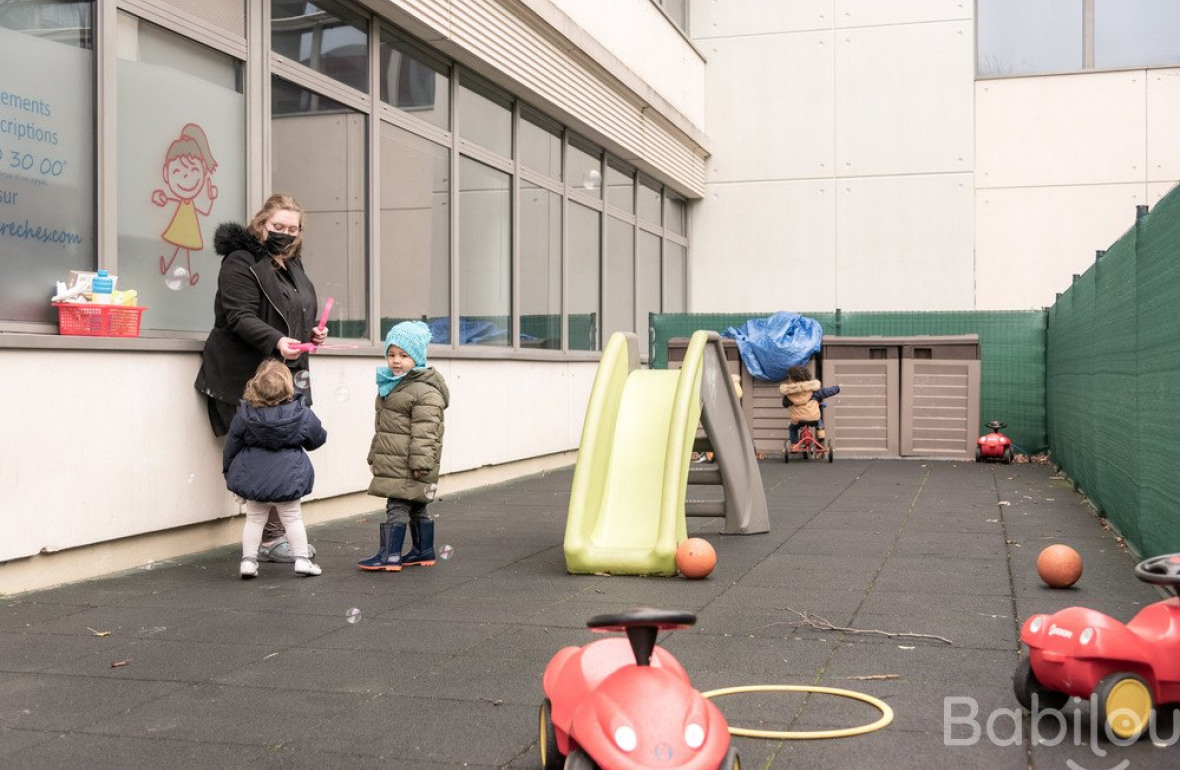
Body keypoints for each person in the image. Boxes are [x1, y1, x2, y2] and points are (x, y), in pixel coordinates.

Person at [194, 193, 328, 563]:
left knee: (280, 452)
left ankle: (274, 535)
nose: (285, 233)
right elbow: (238, 316)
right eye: (278, 226)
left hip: (285, 375)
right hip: (246, 378)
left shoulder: (292, 264)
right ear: (261, 224)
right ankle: (270, 538)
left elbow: (294, 312)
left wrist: (310, 334)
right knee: (264, 454)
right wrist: (277, 340)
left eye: (292, 228)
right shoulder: (241, 261)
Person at [359, 321, 450, 572]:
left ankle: (390, 556)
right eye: (391, 354)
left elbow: (426, 431)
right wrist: (373, 456)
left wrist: (421, 462)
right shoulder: (393, 386)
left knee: (397, 506)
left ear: (418, 357)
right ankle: (424, 551)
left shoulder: (424, 391)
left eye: (403, 355)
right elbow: (384, 429)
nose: (396, 361)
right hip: (395, 459)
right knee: (417, 505)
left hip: (411, 463)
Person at [224, 360, 327, 579]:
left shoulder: (244, 414)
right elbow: (318, 438)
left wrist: (230, 477)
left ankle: (248, 562)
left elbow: (231, 446)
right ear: (288, 386)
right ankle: (302, 560)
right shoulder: (301, 412)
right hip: (288, 477)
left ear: (255, 386)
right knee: (292, 518)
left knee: (253, 520)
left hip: (254, 478)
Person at [779, 364, 840, 446]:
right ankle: (820, 433)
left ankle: (794, 445)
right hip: (813, 418)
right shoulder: (814, 391)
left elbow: (785, 404)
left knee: (792, 428)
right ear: (807, 376)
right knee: (818, 420)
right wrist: (836, 388)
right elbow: (826, 391)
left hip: (798, 420)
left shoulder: (788, 395)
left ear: (791, 379)